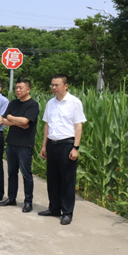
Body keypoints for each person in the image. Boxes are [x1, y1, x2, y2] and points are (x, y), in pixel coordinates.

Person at [39, 74, 86, 225]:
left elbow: (78, 126)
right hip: (52, 144)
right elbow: (47, 125)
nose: (53, 88)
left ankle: (67, 212)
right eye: (52, 85)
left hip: (67, 144)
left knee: (67, 180)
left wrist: (75, 147)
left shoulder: (74, 102)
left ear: (65, 86)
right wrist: (44, 145)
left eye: (56, 85)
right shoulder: (50, 103)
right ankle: (54, 208)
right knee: (52, 178)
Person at [0, 79, 40, 212]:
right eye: (16, 88)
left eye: (20, 88)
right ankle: (11, 198)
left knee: (26, 174)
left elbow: (25, 120)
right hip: (11, 143)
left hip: (25, 144)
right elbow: (4, 120)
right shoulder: (13, 103)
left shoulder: (33, 105)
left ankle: (28, 201)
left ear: (28, 89)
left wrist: (12, 118)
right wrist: (17, 121)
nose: (17, 90)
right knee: (11, 173)